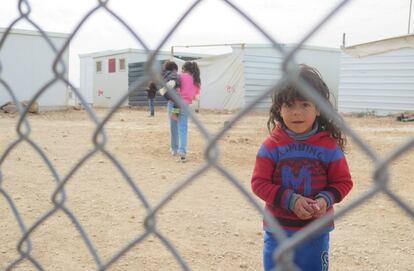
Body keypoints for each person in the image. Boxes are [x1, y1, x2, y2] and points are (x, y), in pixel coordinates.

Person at [251, 64, 353, 271]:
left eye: (305, 104)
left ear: (318, 109)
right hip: (278, 231)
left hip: (315, 231)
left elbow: (343, 182)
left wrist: (325, 200)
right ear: (279, 110)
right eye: (289, 105)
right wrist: (291, 200)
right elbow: (258, 183)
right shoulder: (272, 145)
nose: (297, 112)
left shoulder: (328, 146)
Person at [168, 61, 201, 162]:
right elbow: (195, 96)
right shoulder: (196, 81)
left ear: (184, 69)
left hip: (174, 103)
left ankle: (174, 149)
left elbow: (170, 88)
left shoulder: (179, 76)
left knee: (173, 126)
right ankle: (182, 152)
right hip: (185, 105)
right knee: (183, 128)